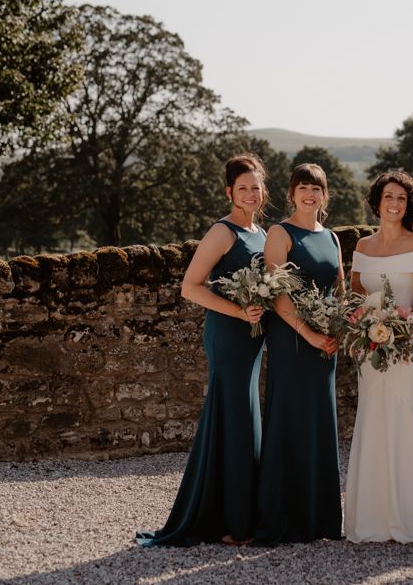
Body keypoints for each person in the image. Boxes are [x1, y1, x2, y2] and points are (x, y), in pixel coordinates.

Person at [136, 154, 268, 546]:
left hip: (253, 336)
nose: (249, 193)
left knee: (245, 417)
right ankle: (228, 522)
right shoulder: (222, 232)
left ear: (264, 191)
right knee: (234, 416)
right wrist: (238, 311)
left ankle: (241, 513)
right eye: (241, 187)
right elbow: (191, 287)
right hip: (229, 334)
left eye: (255, 187)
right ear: (229, 192)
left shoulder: (263, 234)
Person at [344, 172, 413, 543]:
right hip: (370, 349)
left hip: (408, 346)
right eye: (388, 196)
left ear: (409, 204)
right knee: (373, 420)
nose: (394, 203)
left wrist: (402, 328)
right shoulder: (362, 246)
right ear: (377, 201)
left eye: (402, 198)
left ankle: (411, 515)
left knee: (408, 418)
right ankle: (372, 516)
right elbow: (356, 294)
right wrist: (367, 326)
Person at [253, 163, 343, 545]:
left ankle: (320, 518)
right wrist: (307, 332)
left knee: (320, 422)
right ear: (292, 194)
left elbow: (338, 288)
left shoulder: (332, 237)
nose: (310, 194)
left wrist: (336, 327)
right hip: (292, 341)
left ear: (325, 196)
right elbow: (277, 293)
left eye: (316, 189)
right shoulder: (280, 232)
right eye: (303, 187)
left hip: (325, 343)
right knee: (290, 420)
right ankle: (284, 517)